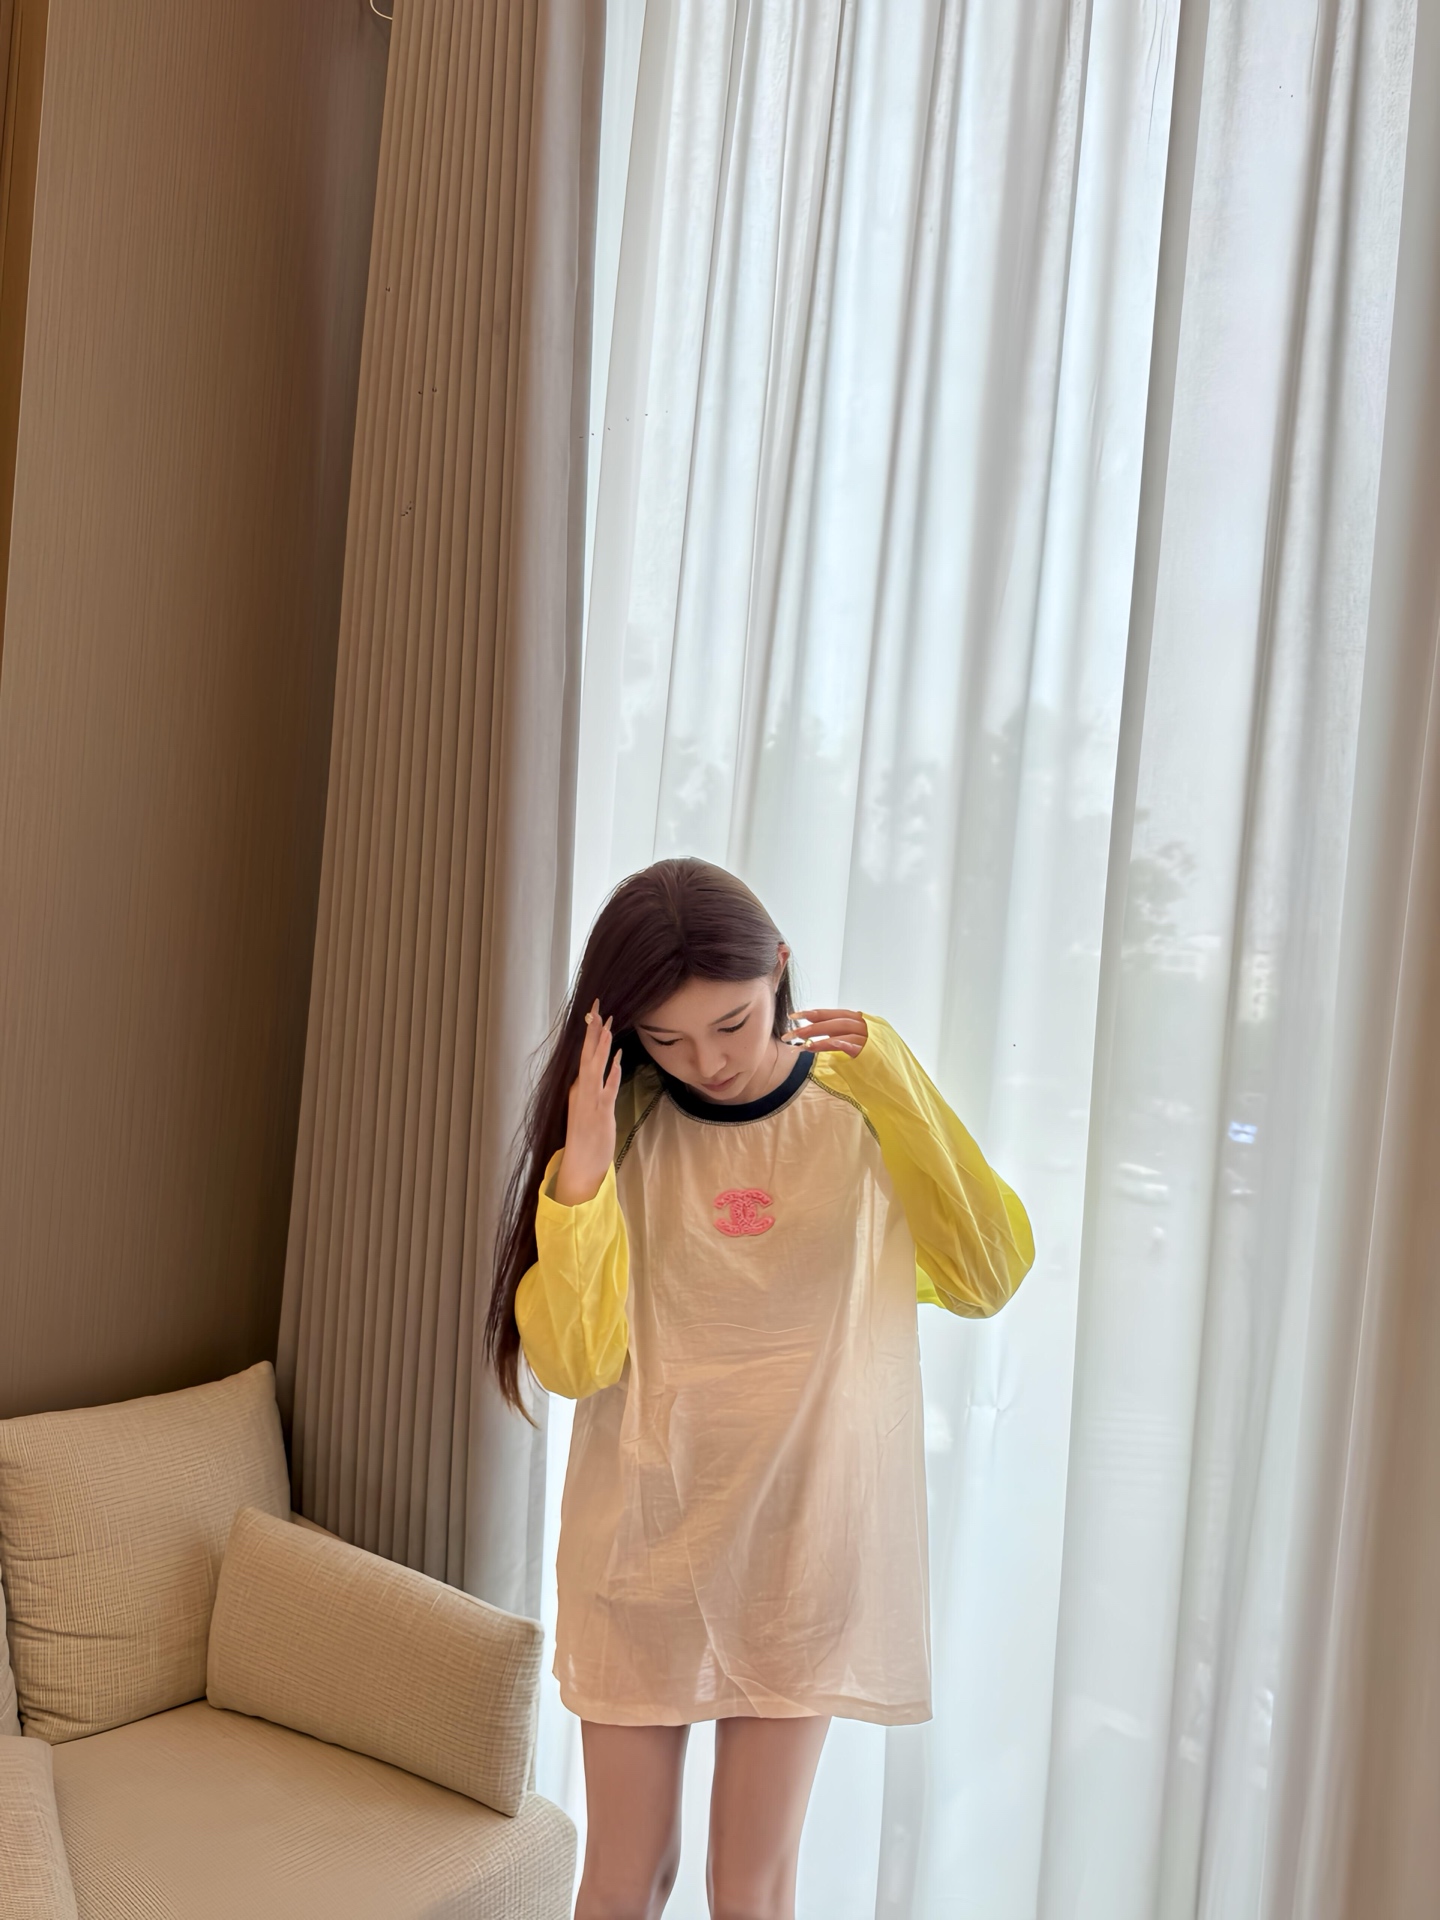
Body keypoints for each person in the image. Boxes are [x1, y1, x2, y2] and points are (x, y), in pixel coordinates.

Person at [485, 858, 1033, 1920]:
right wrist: (582, 1169)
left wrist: (898, 1079)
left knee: (752, 1888)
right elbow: (574, 1364)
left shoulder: (859, 1112)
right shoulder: (627, 1136)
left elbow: (984, 1274)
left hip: (802, 1553)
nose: (710, 1062)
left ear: (780, 970)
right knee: (624, 1878)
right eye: (668, 1039)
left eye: (733, 1023)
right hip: (641, 1552)